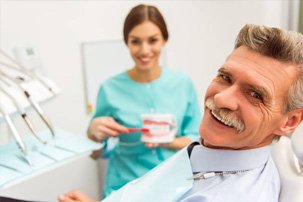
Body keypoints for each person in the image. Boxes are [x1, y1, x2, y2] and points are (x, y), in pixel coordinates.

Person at [59, 24, 303, 202]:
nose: (221, 98)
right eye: (225, 77)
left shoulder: (227, 191)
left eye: (255, 95)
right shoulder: (213, 149)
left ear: (290, 121)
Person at [85, 4, 201, 198]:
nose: (144, 50)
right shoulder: (109, 88)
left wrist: (167, 141)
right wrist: (93, 134)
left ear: (164, 39)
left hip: (172, 186)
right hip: (124, 188)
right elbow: (95, 153)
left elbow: (197, 142)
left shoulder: (183, 84)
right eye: (135, 41)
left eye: (153, 40)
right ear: (127, 43)